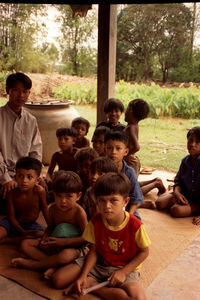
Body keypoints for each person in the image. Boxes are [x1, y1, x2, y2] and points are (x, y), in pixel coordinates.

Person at [51, 172, 150, 300]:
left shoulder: (135, 225)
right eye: (102, 200)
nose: (107, 206)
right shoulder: (96, 220)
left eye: (113, 200)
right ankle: (88, 281)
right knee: (57, 280)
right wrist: (82, 276)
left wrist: (123, 272)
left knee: (138, 299)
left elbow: (144, 252)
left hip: (124, 266)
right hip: (99, 263)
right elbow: (93, 251)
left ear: (125, 201)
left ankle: (94, 286)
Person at [11, 170, 88, 280]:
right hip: (54, 243)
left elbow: (87, 238)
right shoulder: (52, 209)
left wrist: (64, 242)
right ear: (53, 194)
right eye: (59, 196)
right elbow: (51, 227)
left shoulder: (79, 213)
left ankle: (33, 265)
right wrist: (44, 238)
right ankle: (52, 264)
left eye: (69, 196)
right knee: (25, 244)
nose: (63, 201)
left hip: (73, 247)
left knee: (64, 255)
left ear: (78, 196)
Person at [0, 72, 43, 214]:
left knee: (44, 194)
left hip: (24, 176)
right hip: (2, 175)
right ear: (8, 91)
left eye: (25, 91)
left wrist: (35, 176)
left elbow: (35, 151)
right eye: (16, 90)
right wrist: (5, 178)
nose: (21, 95)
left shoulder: (31, 120)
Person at [156, 126, 200, 225]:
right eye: (190, 140)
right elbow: (178, 181)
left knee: (176, 210)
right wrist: (177, 193)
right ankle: (176, 196)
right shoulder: (185, 161)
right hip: (186, 194)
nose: (193, 144)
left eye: (197, 142)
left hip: (198, 201)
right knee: (159, 203)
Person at [0, 157, 49, 243]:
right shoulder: (11, 194)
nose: (24, 181)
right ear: (15, 177)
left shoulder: (40, 191)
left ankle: (9, 240)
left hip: (31, 225)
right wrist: (22, 231)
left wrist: (51, 227)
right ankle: (18, 238)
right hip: (12, 223)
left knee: (41, 235)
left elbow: (45, 210)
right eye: (20, 176)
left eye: (29, 177)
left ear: (37, 180)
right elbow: (11, 217)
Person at [104, 130, 144, 220]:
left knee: (136, 222)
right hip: (104, 208)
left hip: (125, 209)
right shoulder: (101, 170)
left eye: (118, 148)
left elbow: (136, 198)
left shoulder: (129, 172)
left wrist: (128, 216)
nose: (113, 152)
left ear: (125, 152)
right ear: (104, 149)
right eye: (109, 148)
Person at [82, 156, 118, 221]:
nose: (94, 177)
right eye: (92, 172)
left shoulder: (115, 194)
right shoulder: (89, 191)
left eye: (100, 174)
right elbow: (85, 213)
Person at [124, 98, 150, 177]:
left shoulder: (130, 127)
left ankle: (156, 183)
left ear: (130, 110)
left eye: (127, 109)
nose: (125, 112)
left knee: (129, 187)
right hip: (132, 160)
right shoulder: (134, 126)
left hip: (130, 162)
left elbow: (137, 147)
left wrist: (125, 156)